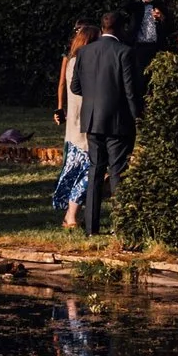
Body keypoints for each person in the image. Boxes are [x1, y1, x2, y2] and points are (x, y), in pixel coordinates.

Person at [71, 12, 142, 237]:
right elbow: (131, 91)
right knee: (118, 171)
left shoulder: (84, 52)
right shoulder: (125, 52)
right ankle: (119, 225)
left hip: (92, 119)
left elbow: (75, 87)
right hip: (118, 120)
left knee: (95, 170)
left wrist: (93, 97)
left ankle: (92, 228)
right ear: (120, 28)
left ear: (102, 27)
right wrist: (138, 117)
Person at [51, 22, 94, 228]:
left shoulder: (71, 61)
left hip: (75, 123)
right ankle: (72, 215)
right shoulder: (84, 63)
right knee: (86, 171)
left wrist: (60, 108)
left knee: (79, 170)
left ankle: (72, 214)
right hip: (83, 125)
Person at [123, 0, 169, 92]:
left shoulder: (160, 5)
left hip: (156, 47)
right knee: (140, 79)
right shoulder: (137, 6)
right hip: (139, 47)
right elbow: (125, 5)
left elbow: (170, 24)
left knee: (156, 78)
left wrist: (161, 18)